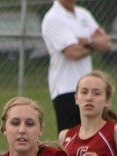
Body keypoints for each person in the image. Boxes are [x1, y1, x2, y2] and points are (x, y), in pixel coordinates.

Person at [41, 0, 112, 133]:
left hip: (89, 88)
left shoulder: (83, 14)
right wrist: (94, 45)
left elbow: (107, 44)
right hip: (66, 89)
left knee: (94, 136)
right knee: (71, 141)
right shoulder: (53, 18)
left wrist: (86, 41)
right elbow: (73, 52)